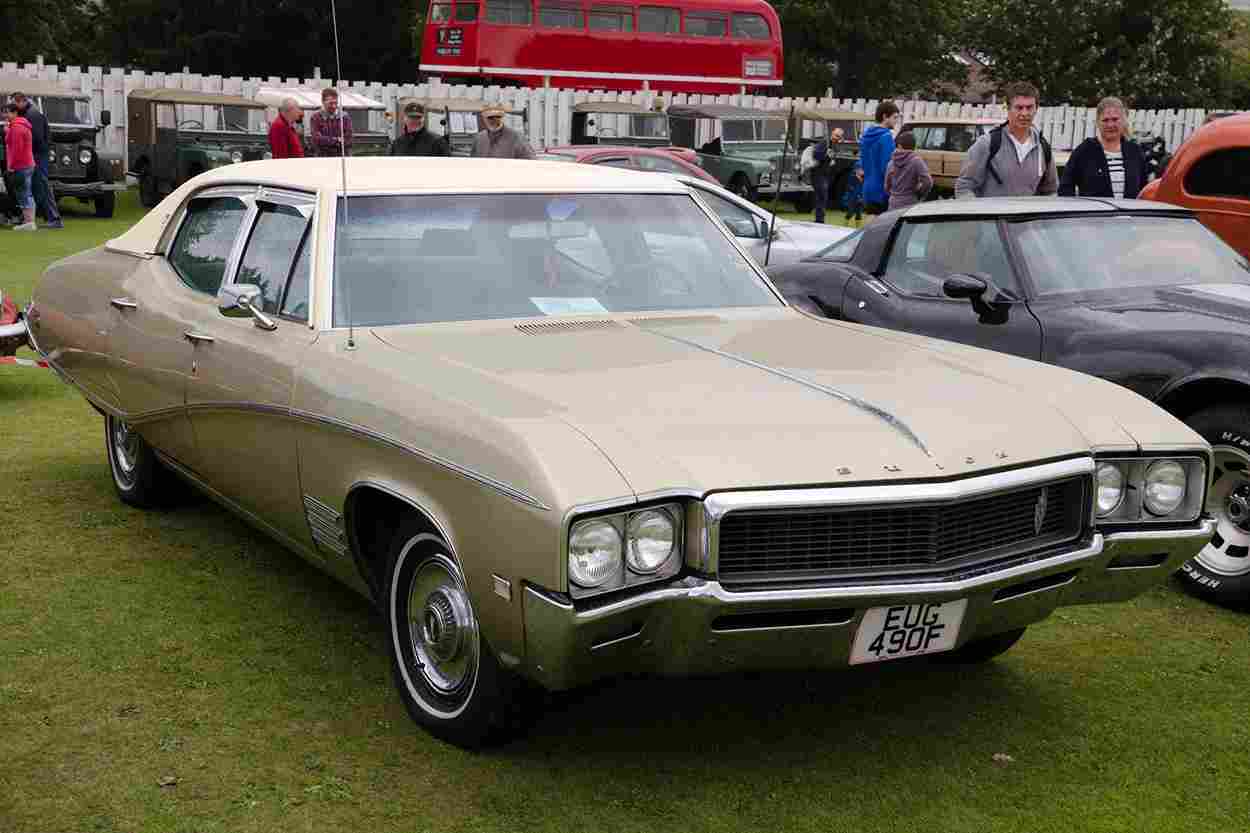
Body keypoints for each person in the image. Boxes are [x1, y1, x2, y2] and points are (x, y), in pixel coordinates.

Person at [955, 81, 1058, 198]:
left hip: (1028, 216)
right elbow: (964, 187)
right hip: (992, 216)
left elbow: (1051, 191)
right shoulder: (987, 144)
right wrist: (978, 214)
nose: (1024, 113)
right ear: (1008, 108)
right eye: (1019, 108)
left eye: (1029, 107)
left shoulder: (1043, 148)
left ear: (1036, 109)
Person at [1059, 96, 1146, 199]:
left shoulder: (1135, 152)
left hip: (1131, 214)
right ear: (1097, 122)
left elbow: (1144, 189)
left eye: (1115, 119)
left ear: (1123, 120)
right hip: (1096, 215)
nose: (1110, 124)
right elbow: (1065, 188)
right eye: (1105, 120)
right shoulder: (1084, 151)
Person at [12, 92, 62, 229]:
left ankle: (54, 218)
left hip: (38, 156)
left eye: (14, 104)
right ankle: (37, 218)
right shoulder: (30, 114)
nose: (13, 107)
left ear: (21, 101)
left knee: (42, 185)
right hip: (37, 155)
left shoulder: (32, 115)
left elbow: (37, 138)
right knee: (35, 187)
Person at [856, 101, 900, 216]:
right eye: (894, 117)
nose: (896, 121)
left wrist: (860, 169)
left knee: (869, 228)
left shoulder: (866, 135)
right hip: (882, 190)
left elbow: (861, 161)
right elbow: (887, 167)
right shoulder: (886, 136)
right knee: (882, 230)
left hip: (867, 188)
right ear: (885, 116)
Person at [4, 103, 37, 231]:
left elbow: (16, 149)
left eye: (7, 112)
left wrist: (11, 166)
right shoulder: (21, 125)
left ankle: (29, 222)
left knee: (22, 193)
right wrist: (8, 131)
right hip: (28, 163)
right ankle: (30, 221)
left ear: (15, 113)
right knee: (27, 192)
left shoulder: (17, 128)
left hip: (21, 165)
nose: (5, 115)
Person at [884, 130, 933, 210]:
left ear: (899, 145)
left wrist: (894, 194)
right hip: (910, 203)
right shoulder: (916, 161)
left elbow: (886, 187)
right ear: (914, 146)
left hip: (893, 204)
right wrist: (920, 193)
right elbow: (928, 182)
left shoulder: (891, 162)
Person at [470, 105, 535, 159]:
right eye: (490, 117)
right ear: (484, 118)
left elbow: (530, 161)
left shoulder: (516, 137)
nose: (494, 120)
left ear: (502, 117)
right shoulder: (479, 138)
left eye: (498, 117)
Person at [809, 126, 842, 224]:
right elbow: (816, 155)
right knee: (822, 196)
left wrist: (831, 159)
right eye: (836, 135)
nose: (837, 138)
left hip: (824, 174)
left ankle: (820, 219)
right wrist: (826, 155)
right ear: (832, 133)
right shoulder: (824, 142)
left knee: (822, 196)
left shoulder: (834, 145)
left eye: (839, 137)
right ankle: (819, 220)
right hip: (817, 173)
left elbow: (832, 156)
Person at [309, 87, 352, 158]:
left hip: (341, 158)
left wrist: (327, 140)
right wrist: (338, 140)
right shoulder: (316, 117)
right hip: (323, 158)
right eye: (331, 103)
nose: (334, 106)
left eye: (336, 103)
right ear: (323, 102)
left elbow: (349, 140)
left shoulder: (344, 117)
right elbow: (316, 140)